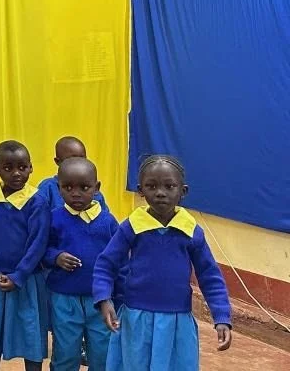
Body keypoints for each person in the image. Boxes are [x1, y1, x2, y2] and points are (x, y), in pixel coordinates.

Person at [93, 155, 232, 371]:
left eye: (169, 186)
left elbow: (210, 277)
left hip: (177, 321)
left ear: (182, 191)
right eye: (151, 186)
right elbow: (106, 264)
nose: (160, 192)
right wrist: (104, 299)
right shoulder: (131, 227)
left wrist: (221, 316)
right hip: (136, 318)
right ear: (140, 190)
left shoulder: (191, 232)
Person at [0, 140, 50, 371]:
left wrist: (20, 275)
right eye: (8, 168)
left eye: (22, 167)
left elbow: (38, 242)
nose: (16, 173)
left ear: (31, 167)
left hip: (27, 282)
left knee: (30, 334)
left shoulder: (37, 202)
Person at [43, 157, 117, 371]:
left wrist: (118, 295)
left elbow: (119, 260)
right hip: (63, 297)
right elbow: (42, 250)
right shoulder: (54, 218)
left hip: (101, 299)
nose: (76, 193)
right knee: (65, 353)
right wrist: (56, 257)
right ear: (58, 189)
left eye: (84, 187)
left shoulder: (108, 222)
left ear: (97, 188)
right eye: (68, 187)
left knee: (102, 353)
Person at [36, 137, 108, 213]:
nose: (76, 163)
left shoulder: (91, 190)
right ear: (57, 161)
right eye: (68, 188)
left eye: (81, 159)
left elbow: (105, 218)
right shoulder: (48, 187)